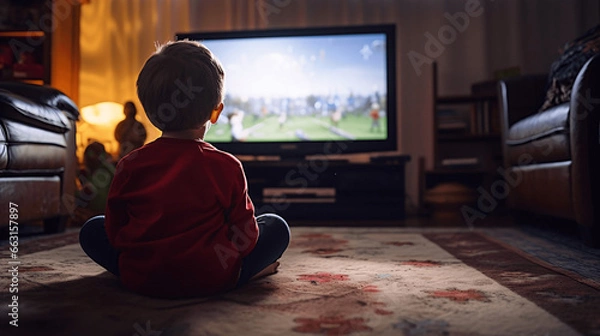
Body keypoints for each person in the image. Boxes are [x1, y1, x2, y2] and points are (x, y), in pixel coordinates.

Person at [78, 40, 291, 299]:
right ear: (216, 113)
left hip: (142, 278)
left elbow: (115, 231)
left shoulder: (128, 164)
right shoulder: (227, 166)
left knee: (92, 230)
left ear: (149, 110)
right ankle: (246, 275)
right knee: (276, 226)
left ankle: (141, 275)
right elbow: (246, 237)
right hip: (214, 277)